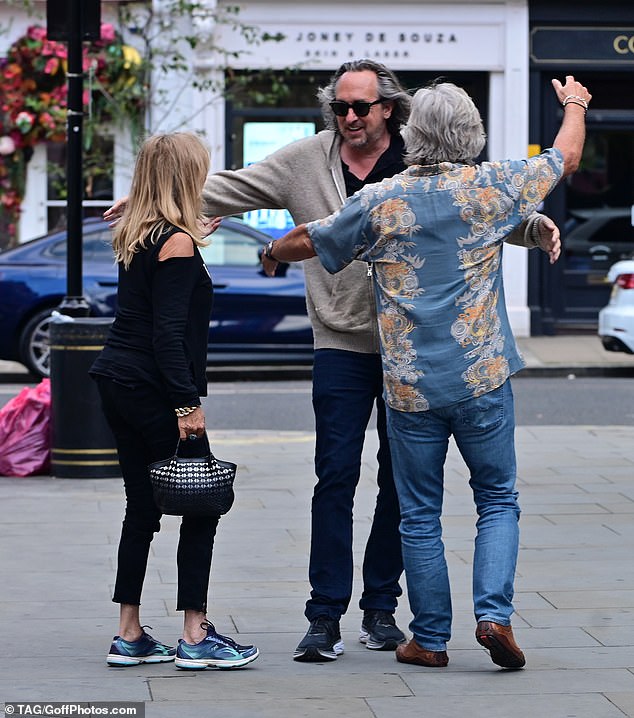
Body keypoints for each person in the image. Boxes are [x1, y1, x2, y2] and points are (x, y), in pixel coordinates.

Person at [104, 59, 560, 664]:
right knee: (335, 479)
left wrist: (534, 226)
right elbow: (230, 187)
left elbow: (478, 218)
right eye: (338, 108)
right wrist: (149, 197)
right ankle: (324, 616)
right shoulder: (302, 160)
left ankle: (380, 608)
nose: (347, 118)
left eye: (360, 108)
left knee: (402, 489)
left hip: (411, 355)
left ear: (389, 110)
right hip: (342, 344)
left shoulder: (420, 159)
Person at [259, 74, 589, 669]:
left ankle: (430, 639)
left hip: (410, 385)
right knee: (497, 499)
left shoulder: (381, 199)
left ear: (409, 133)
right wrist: (574, 104)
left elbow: (312, 240)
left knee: (418, 512)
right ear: (472, 133)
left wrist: (271, 253)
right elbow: (565, 155)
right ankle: (492, 616)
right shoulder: (493, 186)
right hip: (481, 375)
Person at [91, 132, 259, 671]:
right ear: (188, 177)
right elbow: (167, 336)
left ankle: (129, 633)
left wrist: (192, 236)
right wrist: (187, 406)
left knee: (141, 508)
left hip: (115, 378)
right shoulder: (177, 243)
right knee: (202, 503)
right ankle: (195, 634)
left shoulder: (139, 232)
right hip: (154, 387)